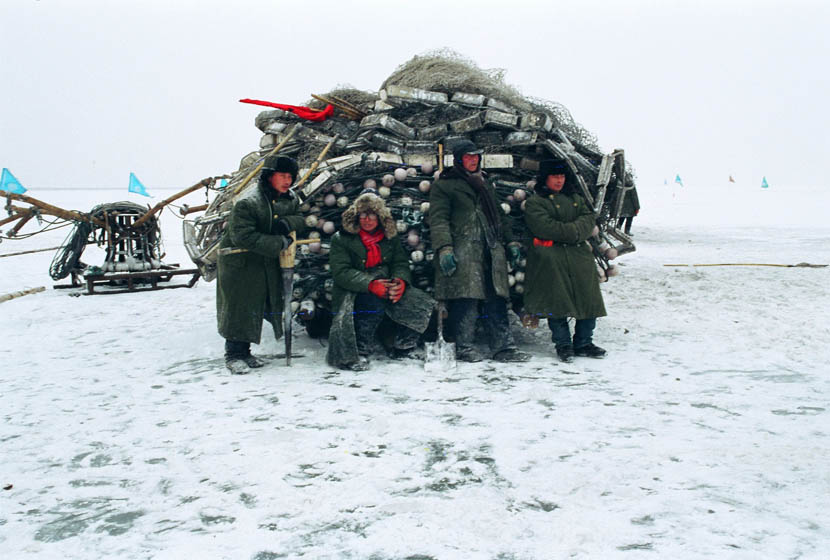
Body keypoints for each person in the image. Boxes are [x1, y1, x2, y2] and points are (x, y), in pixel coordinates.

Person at [429, 139, 530, 363]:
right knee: (466, 298)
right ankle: (464, 346)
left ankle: (504, 347)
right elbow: (438, 219)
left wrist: (511, 242)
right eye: (468, 156)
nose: (473, 160)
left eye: (476, 156)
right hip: (464, 248)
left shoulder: (485, 183)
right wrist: (444, 247)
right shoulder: (445, 184)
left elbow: (500, 217)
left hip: (491, 247)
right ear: (458, 159)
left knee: (497, 298)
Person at [216, 155, 306, 374]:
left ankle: (246, 353)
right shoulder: (249, 202)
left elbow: (300, 218)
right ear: (269, 176)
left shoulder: (290, 198)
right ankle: (235, 354)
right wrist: (279, 242)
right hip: (240, 263)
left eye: (290, 176)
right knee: (240, 307)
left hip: (265, 262)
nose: (287, 181)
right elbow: (242, 236)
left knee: (259, 304)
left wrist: (286, 223)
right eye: (282, 176)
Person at [327, 190, 435, 370]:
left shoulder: (389, 238)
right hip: (354, 290)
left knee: (420, 302)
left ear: (380, 217)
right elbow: (341, 272)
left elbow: (399, 262)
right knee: (372, 303)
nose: (367, 219)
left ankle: (403, 345)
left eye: (372, 215)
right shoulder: (342, 239)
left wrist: (400, 281)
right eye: (363, 214)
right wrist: (369, 284)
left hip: (386, 283)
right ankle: (359, 350)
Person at [523, 159, 608, 363]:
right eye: (555, 177)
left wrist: (573, 230)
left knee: (588, 298)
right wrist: (575, 231)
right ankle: (563, 344)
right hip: (550, 256)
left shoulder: (575, 198)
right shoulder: (536, 202)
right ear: (545, 178)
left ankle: (584, 342)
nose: (559, 181)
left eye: (562, 176)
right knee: (557, 301)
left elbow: (589, 219)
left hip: (578, 255)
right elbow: (544, 227)